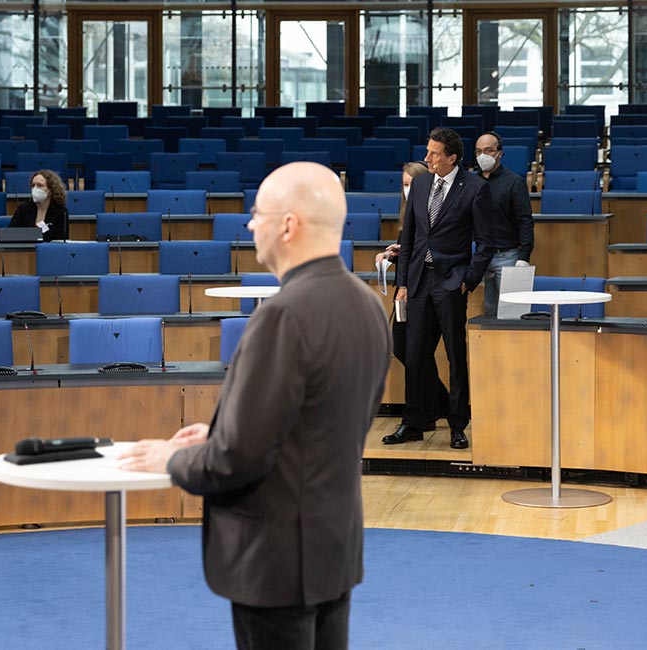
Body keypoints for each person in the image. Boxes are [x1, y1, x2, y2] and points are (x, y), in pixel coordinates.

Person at [118, 162, 391, 650]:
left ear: (288, 225)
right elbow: (327, 426)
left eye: (258, 212)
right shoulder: (368, 305)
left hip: (277, 560)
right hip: (333, 549)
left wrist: (172, 458)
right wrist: (222, 434)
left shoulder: (283, 315)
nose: (249, 224)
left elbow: (236, 460)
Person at [387, 127, 494, 450]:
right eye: (428, 151)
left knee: (454, 355)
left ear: (452, 157)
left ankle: (458, 425)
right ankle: (415, 422)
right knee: (415, 354)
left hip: (450, 282)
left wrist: (467, 280)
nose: (427, 158)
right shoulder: (419, 184)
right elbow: (409, 237)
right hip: (418, 281)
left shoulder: (474, 187)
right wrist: (402, 282)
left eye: (434, 153)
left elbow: (487, 243)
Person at [377, 160, 449, 438]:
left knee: (413, 349)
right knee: (404, 347)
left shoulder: (434, 207)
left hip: (425, 288)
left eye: (410, 184)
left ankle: (431, 408)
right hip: (407, 287)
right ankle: (436, 403)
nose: (406, 190)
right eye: (404, 185)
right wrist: (395, 254)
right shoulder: (408, 210)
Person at [474, 132, 534, 316]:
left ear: (499, 153)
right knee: (488, 313)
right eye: (478, 151)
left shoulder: (514, 182)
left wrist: (524, 256)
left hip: (507, 256)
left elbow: (525, 221)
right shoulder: (470, 182)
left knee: (513, 313)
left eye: (488, 150)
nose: (482, 155)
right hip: (479, 256)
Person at [8, 169, 69, 241]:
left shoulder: (60, 212)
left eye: (40, 186)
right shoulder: (23, 209)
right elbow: (9, 235)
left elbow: (60, 241)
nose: (35, 189)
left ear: (51, 190)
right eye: (33, 185)